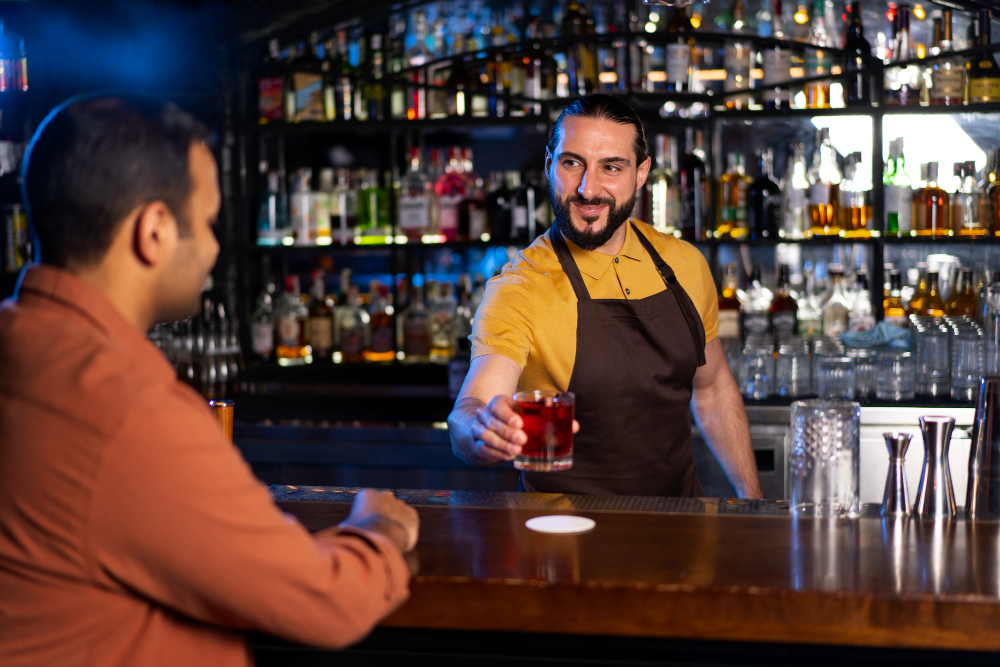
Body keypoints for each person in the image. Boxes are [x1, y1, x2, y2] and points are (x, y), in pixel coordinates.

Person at [0, 95, 419, 666]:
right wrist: (378, 529)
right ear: (154, 231)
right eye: (206, 222)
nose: (217, 246)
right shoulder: (129, 410)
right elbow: (328, 602)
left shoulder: (24, 344)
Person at [448, 94, 763, 498]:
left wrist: (755, 504)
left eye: (611, 167)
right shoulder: (520, 287)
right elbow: (470, 408)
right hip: (562, 538)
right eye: (571, 163)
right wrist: (481, 430)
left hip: (681, 529)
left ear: (641, 172)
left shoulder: (684, 264)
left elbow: (713, 387)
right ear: (549, 166)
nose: (587, 188)